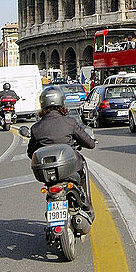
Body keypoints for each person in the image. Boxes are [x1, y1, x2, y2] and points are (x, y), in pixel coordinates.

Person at [27, 86, 96, 220]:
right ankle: (86, 206)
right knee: (83, 169)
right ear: (62, 102)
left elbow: (31, 153)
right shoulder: (70, 122)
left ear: (43, 105)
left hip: (48, 174)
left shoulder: (36, 128)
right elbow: (90, 144)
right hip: (71, 169)